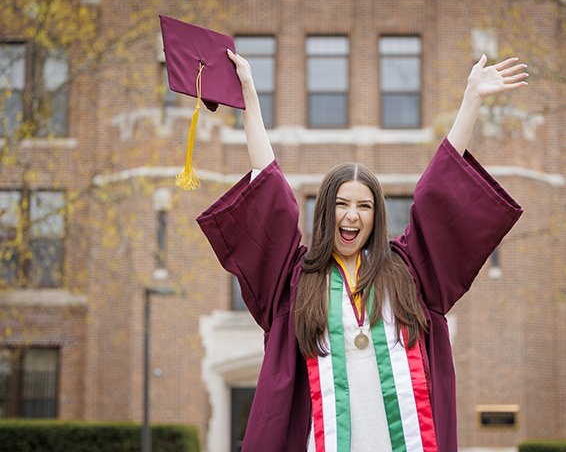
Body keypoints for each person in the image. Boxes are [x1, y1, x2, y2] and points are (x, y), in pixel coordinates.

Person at [197, 50, 528, 452]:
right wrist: (250, 98)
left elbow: (438, 192)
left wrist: (470, 101)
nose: (351, 216)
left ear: (377, 216)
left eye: (364, 206)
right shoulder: (296, 280)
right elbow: (271, 191)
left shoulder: (407, 272)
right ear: (324, 211)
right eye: (341, 203)